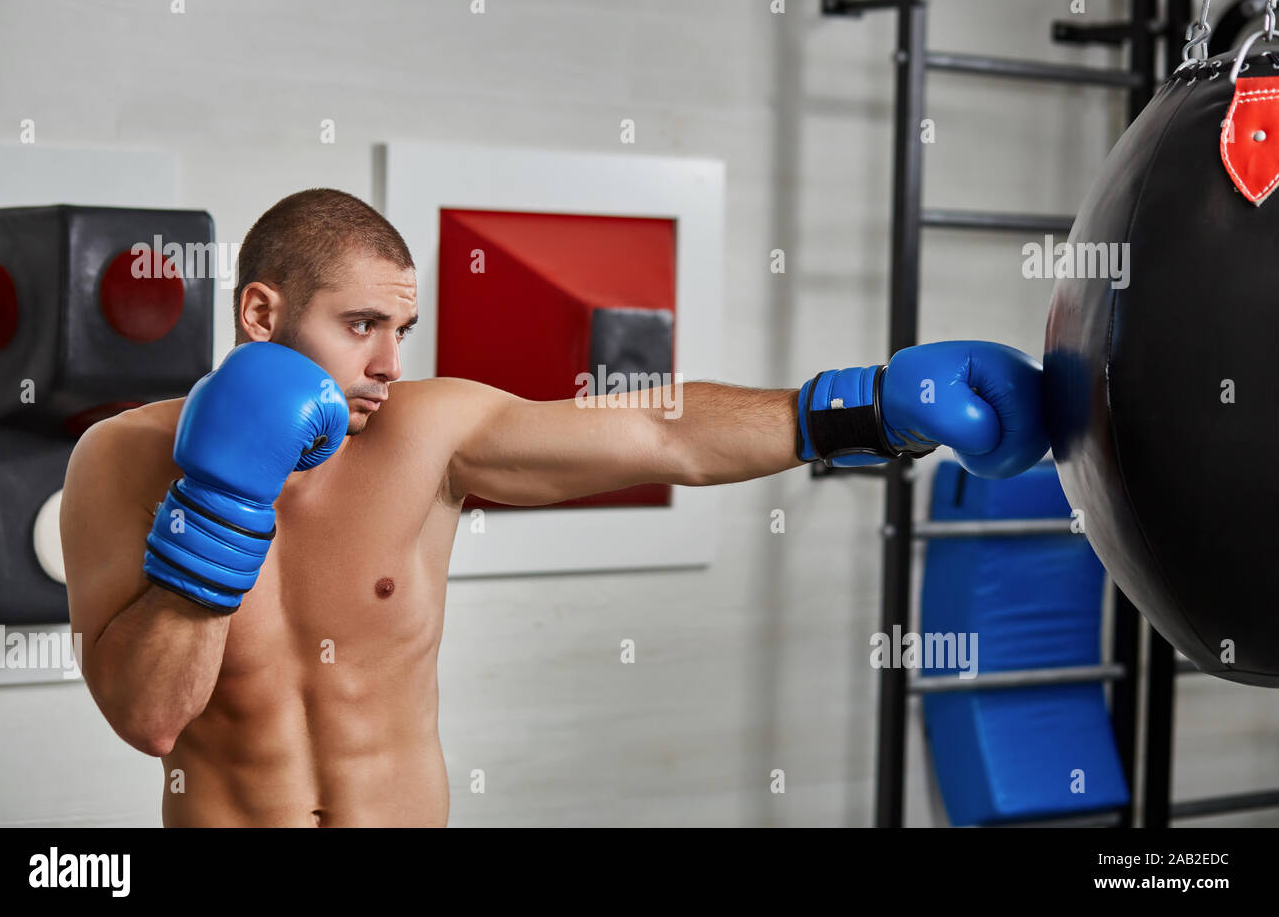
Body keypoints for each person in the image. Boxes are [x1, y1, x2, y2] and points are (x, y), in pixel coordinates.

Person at [59, 187, 1048, 826]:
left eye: (402, 328)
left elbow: (656, 432)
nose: (387, 364)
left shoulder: (428, 429)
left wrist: (861, 406)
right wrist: (225, 495)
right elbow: (149, 717)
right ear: (263, 313)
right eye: (360, 324)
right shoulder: (120, 459)